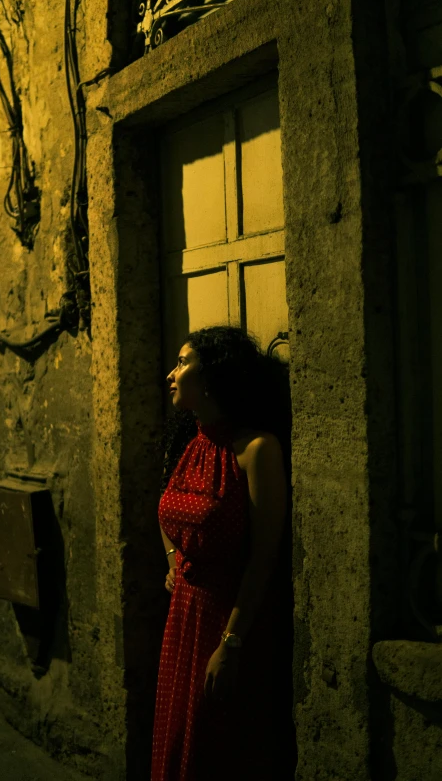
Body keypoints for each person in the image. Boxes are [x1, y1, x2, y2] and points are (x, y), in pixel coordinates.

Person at [151, 326, 297, 781]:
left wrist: (231, 644)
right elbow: (166, 510)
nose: (171, 375)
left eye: (182, 363)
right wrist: (174, 560)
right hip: (184, 615)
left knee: (218, 748)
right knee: (178, 741)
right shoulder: (193, 443)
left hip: (229, 621)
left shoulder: (257, 450)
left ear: (212, 374)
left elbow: (264, 556)